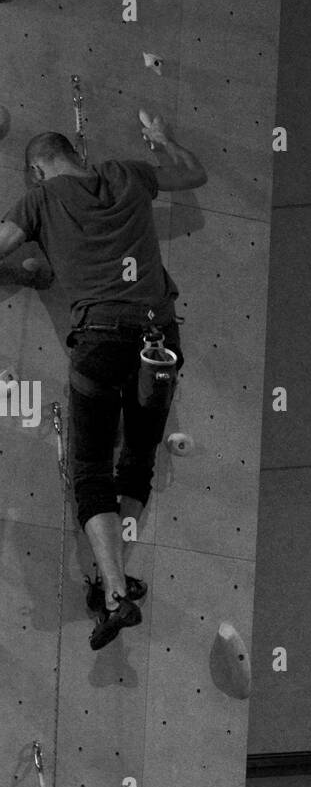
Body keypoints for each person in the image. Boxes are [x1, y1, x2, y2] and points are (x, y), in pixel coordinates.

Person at [0, 120, 206, 648]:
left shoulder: (39, 199)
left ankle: (115, 590)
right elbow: (194, 174)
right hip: (159, 334)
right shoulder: (127, 174)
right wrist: (161, 139)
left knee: (92, 467)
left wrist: (25, 274)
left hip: (99, 339)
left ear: (36, 170)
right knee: (137, 458)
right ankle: (112, 587)